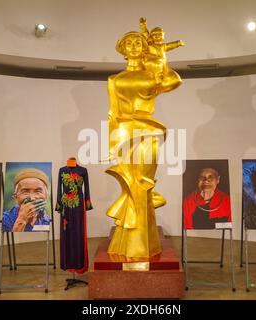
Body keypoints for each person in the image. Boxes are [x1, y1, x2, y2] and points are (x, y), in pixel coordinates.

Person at [106, 26, 182, 258]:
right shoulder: (114, 79)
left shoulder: (152, 73)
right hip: (124, 135)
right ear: (122, 50)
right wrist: (111, 145)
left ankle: (140, 241)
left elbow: (175, 81)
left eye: (139, 42)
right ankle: (132, 240)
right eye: (129, 43)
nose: (135, 46)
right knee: (130, 183)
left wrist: (159, 56)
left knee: (143, 182)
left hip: (148, 131)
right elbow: (113, 113)